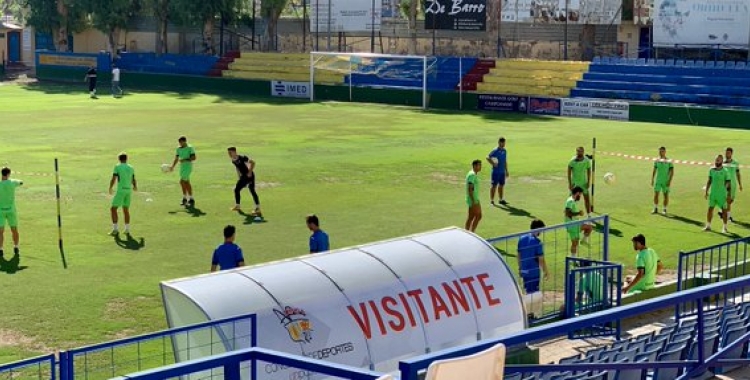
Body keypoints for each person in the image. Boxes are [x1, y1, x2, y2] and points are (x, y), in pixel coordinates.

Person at [108, 153, 137, 235]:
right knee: (126, 209)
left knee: (113, 209)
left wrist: (110, 187)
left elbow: (114, 178)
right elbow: (133, 178)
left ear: (119, 159)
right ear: (126, 158)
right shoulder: (131, 167)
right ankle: (127, 229)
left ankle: (115, 229)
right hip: (128, 191)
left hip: (121, 191)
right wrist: (135, 186)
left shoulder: (117, 166)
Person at [517, 219, 548, 294]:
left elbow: (518, 255)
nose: (541, 232)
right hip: (533, 273)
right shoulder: (538, 242)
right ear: (538, 229)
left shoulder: (521, 239)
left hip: (524, 271)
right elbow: (541, 260)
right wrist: (546, 271)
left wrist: (520, 268)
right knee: (533, 294)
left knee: (527, 291)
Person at [227, 147, 261, 215]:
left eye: (230, 152)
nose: (229, 154)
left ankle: (255, 208)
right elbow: (237, 167)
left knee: (239, 190)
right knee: (242, 190)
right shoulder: (233, 160)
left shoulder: (242, 158)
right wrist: (239, 176)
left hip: (249, 176)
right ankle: (256, 209)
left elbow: (253, 163)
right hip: (243, 177)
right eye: (228, 153)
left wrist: (249, 172)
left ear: (234, 152)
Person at [704, 154, 731, 233]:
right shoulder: (711, 170)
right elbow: (709, 181)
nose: (716, 161)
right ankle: (708, 226)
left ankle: (725, 227)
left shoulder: (725, 171)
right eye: (716, 160)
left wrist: (728, 194)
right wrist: (706, 191)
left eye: (718, 160)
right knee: (710, 209)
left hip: (722, 194)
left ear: (722, 161)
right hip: (713, 194)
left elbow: (728, 183)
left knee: (724, 211)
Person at [0, 167, 23, 257]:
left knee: (0, 232)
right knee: (14, 230)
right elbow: (21, 182)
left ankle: (0, 249)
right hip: (11, 211)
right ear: (8, 174)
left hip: (0, 211)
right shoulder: (12, 182)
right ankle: (16, 246)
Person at [169, 136, 196, 207]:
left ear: (185, 141)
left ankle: (187, 198)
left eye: (181, 142)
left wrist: (185, 160)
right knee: (186, 182)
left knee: (182, 181)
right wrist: (172, 166)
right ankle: (188, 199)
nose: (180, 144)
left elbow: (194, 158)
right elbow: (176, 158)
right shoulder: (178, 149)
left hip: (188, 167)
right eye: (179, 142)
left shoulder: (190, 148)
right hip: (182, 168)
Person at [567, 147, 592, 218]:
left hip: (583, 183)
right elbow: (568, 171)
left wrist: (588, 182)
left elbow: (589, 171)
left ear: (583, 152)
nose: (579, 153)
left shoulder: (587, 161)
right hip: (575, 184)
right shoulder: (572, 160)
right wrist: (569, 183)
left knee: (587, 199)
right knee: (571, 200)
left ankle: (589, 215)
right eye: (578, 151)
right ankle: (570, 214)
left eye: (580, 152)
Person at [565, 186, 588, 257]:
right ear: (577, 193)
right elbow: (568, 213)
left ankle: (583, 241)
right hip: (572, 226)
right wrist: (579, 213)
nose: (580, 196)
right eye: (580, 194)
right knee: (574, 243)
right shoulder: (570, 201)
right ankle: (573, 260)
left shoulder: (572, 200)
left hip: (575, 224)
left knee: (589, 227)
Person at [721, 147, 742, 223]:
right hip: (724, 184)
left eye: (728, 153)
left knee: (730, 201)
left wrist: (740, 184)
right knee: (727, 199)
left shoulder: (735, 163)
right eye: (726, 153)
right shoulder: (722, 163)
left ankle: (723, 212)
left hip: (733, 184)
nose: (727, 154)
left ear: (731, 154)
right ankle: (728, 216)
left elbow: (738, 173)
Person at [486, 137, 509, 205]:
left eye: (504, 143)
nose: (503, 144)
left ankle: (501, 199)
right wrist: (493, 163)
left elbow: (505, 161)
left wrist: (506, 171)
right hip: (495, 172)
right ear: (498, 142)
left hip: (502, 172)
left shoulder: (504, 151)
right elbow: (487, 157)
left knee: (501, 185)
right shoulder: (495, 150)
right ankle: (492, 200)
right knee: (494, 186)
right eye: (501, 143)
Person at [651, 146, 674, 215]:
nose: (661, 152)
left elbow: (672, 172)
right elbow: (654, 170)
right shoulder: (657, 160)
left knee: (665, 195)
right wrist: (652, 179)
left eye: (662, 151)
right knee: (656, 195)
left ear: (665, 152)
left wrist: (669, 181)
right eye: (660, 151)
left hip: (665, 181)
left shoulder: (669, 161)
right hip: (658, 180)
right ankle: (655, 208)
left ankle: (664, 209)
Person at [465, 159, 482, 232]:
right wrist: (473, 201)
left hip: (473, 199)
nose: (480, 167)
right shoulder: (472, 175)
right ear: (474, 166)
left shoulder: (472, 173)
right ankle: (472, 232)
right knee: (478, 216)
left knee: (471, 217)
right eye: (479, 165)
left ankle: (467, 233)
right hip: (473, 199)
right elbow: (470, 189)